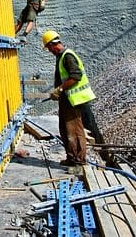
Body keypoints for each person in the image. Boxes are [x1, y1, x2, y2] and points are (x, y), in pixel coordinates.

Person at [42, 30, 98, 168]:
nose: (49, 51)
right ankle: (72, 158)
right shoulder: (61, 56)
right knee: (66, 129)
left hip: (74, 100)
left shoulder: (67, 56)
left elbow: (75, 76)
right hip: (67, 100)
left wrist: (60, 89)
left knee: (75, 131)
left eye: (49, 48)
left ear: (53, 44)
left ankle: (78, 162)